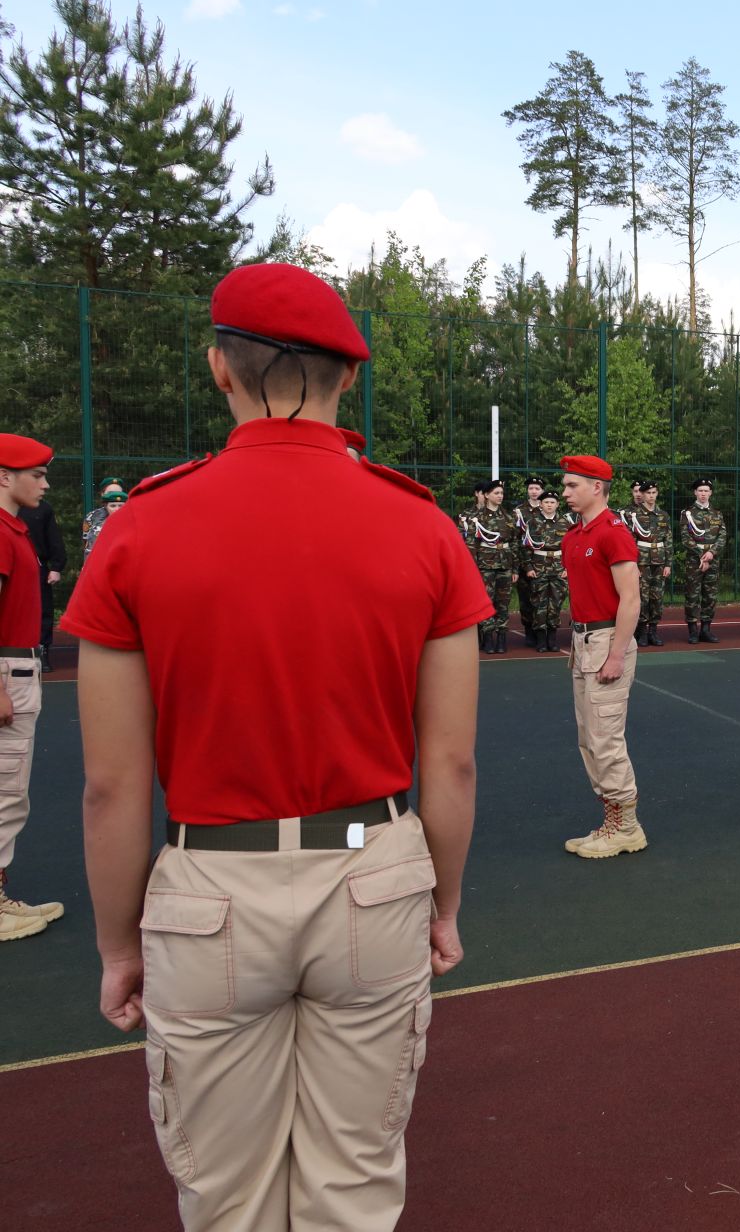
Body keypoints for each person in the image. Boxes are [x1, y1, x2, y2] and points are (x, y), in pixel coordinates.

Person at [64, 262, 490, 1230]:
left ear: (220, 368)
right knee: (353, 1180)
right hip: (372, 874)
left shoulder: (135, 531)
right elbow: (452, 761)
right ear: (350, 378)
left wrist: (118, 941)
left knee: (229, 1199)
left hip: (212, 887)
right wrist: (444, 900)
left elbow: (110, 784)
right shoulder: (422, 527)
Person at [551, 456, 650, 859]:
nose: (564, 492)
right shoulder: (574, 535)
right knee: (589, 739)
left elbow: (631, 599)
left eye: (572, 485)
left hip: (608, 640)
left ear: (597, 487)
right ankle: (611, 819)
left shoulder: (613, 533)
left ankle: (626, 826)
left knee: (606, 739)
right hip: (584, 643)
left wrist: (616, 654)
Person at [0, 434, 62, 942]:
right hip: (6, 672)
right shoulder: (1, 532)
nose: (44, 482)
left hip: (16, 668)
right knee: (3, 794)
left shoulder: (13, 530)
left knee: (8, 793)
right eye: (35, 474)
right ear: (4, 476)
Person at [622, 479, 672, 647]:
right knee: (642, 597)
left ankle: (653, 631)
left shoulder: (663, 515)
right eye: (647, 493)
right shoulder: (634, 516)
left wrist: (668, 564)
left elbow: (668, 540)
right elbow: (630, 541)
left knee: (657, 598)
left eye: (653, 493)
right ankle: (641, 631)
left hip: (659, 561)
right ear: (641, 495)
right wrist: (633, 564)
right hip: (641, 561)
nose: (651, 496)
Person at [468, 479, 517, 654]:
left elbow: (515, 544)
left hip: (505, 565)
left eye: (502, 493)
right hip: (485, 566)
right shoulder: (477, 518)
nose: (500, 496)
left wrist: (515, 569)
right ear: (487, 495)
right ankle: (488, 637)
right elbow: (471, 545)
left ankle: (501, 637)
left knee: (503, 603)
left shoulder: (509, 517)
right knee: (486, 602)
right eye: (496, 493)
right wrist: (473, 568)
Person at [521, 492, 571, 653]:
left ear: (557, 505)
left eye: (552, 502)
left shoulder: (565, 522)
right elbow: (525, 547)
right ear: (540, 504)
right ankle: (541, 640)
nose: (549, 505)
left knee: (556, 604)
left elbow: (571, 547)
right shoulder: (533, 522)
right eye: (546, 502)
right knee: (539, 603)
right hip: (539, 567)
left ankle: (552, 639)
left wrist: (567, 567)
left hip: (558, 567)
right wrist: (528, 567)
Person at [18, 489, 63, 665]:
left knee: (42, 609)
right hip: (10, 567)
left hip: (38, 566)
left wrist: (57, 566)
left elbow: (54, 538)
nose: (44, 485)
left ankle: (42, 651)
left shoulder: (43, 509)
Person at [680, 477, 726, 644]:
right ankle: (693, 630)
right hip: (694, 561)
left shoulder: (717, 513)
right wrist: (702, 556)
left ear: (711, 493)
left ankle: (706, 630)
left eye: (706, 491)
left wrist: (711, 553)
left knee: (710, 596)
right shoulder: (687, 513)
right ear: (695, 492)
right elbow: (686, 538)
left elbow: (722, 536)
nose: (703, 494)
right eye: (700, 491)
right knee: (692, 595)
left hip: (712, 560)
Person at [512, 476, 548, 647]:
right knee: (526, 599)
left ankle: (542, 631)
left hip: (544, 562)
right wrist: (523, 564)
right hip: (525, 561)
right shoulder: (519, 511)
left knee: (542, 599)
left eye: (537, 489)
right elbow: (516, 538)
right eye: (531, 488)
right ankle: (529, 630)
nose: (534, 492)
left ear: (542, 491)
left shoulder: (548, 509)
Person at [82, 482, 129, 561]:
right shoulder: (94, 518)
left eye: (120, 505)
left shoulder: (133, 522)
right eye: (113, 506)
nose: (117, 509)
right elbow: (87, 544)